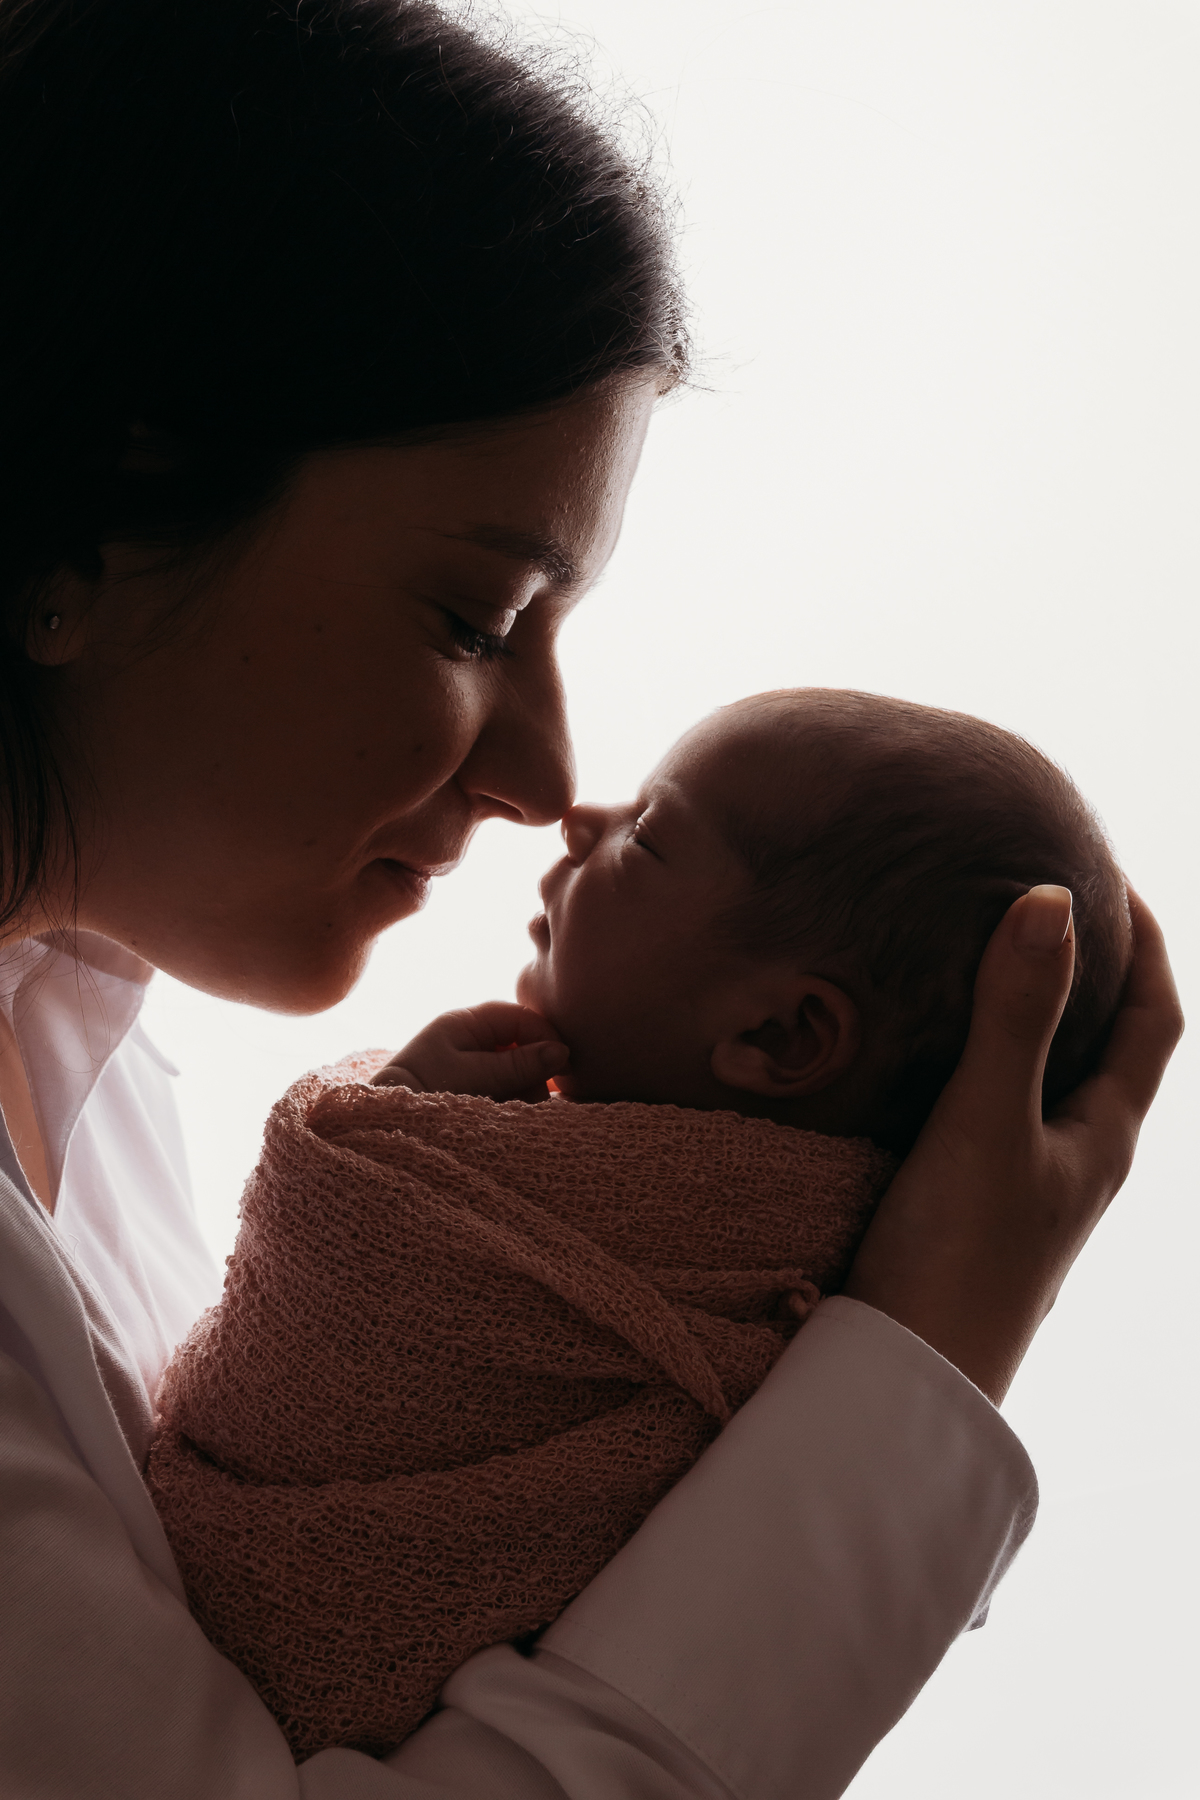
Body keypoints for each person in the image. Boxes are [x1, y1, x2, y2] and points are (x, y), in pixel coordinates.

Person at [0, 3, 1183, 1797]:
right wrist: (917, 1368)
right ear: (73, 532)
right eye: (475, 621)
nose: (549, 778)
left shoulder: (98, 1093)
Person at [143, 685, 1137, 1761]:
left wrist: (394, 1137)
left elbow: (360, 1256)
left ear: (781, 1033)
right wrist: (402, 1128)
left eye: (652, 834)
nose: (580, 815)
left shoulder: (768, 1272)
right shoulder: (769, 1287)